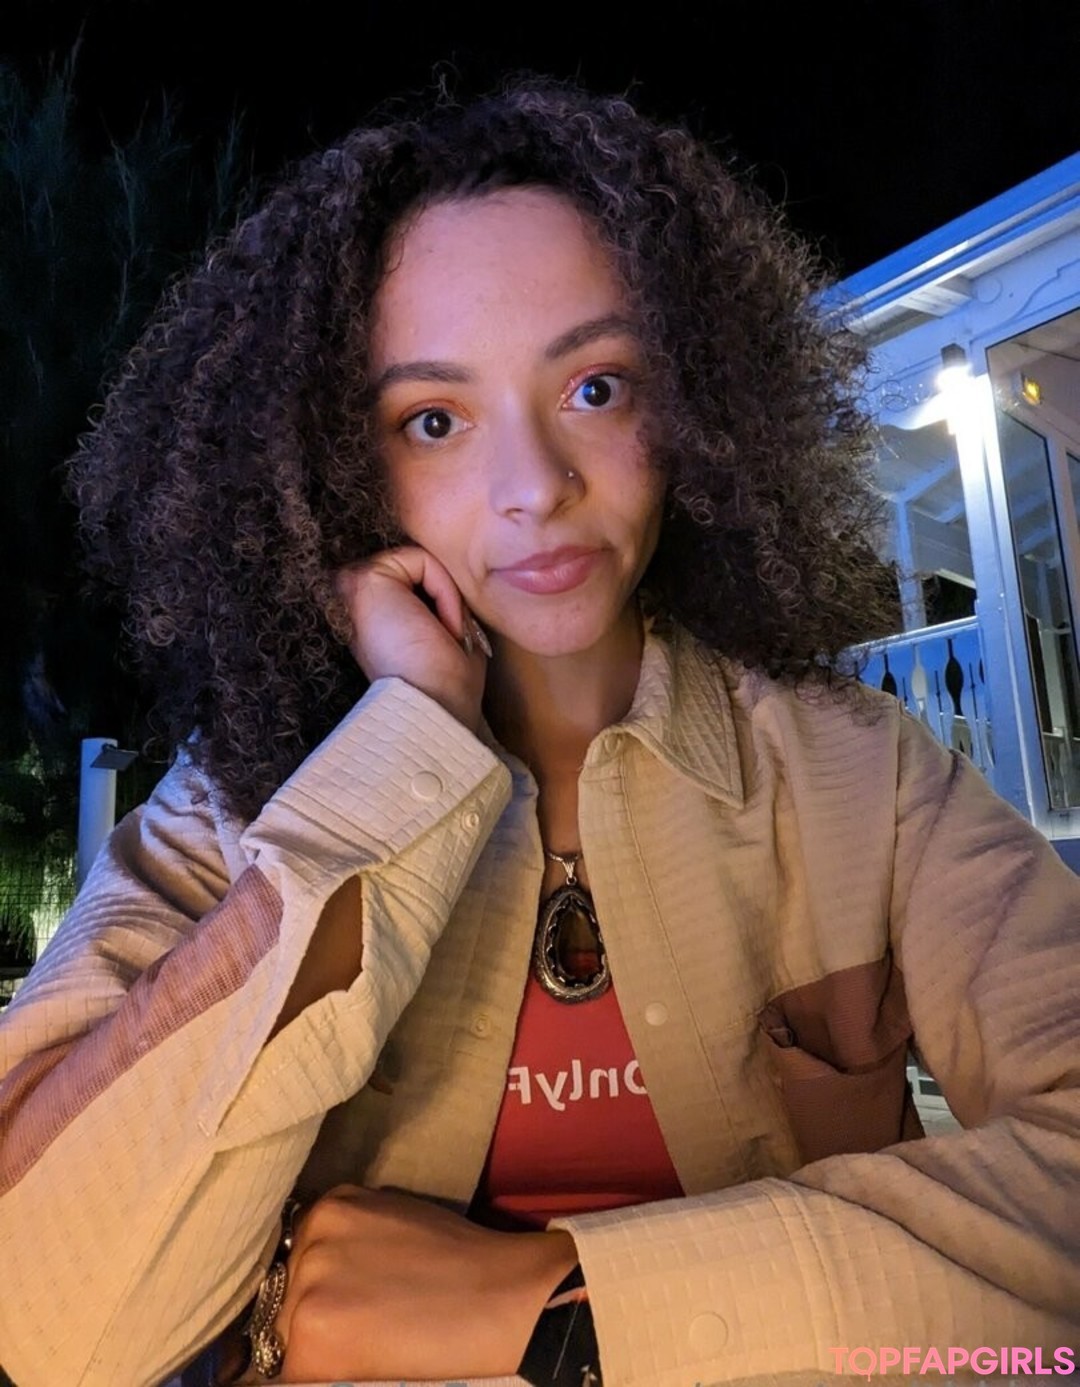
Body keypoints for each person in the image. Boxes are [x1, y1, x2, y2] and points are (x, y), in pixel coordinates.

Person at [0, 81, 1078, 1387]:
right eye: (434, 421)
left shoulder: (868, 778)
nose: (536, 488)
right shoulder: (236, 814)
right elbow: (43, 1326)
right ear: (338, 467)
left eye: (597, 387)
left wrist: (554, 1307)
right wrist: (405, 744)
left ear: (691, 409)